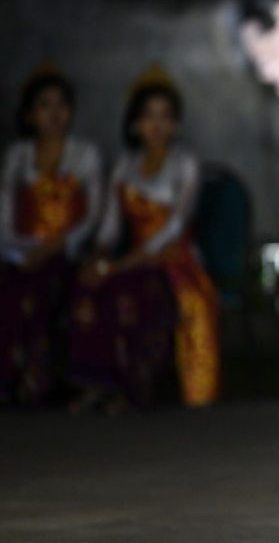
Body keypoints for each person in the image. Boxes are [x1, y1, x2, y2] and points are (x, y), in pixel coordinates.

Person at [69, 66, 219, 412]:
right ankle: (95, 384)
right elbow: (110, 224)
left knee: (134, 294)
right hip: (132, 257)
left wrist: (123, 263)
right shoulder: (125, 165)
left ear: (176, 124)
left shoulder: (185, 164)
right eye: (148, 116)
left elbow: (176, 225)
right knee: (90, 287)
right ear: (135, 123)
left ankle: (134, 388)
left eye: (165, 116)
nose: (157, 125)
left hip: (174, 259)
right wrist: (101, 255)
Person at [0, 65, 103, 404]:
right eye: (44, 105)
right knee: (13, 289)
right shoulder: (17, 156)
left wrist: (55, 246)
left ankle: (44, 382)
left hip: (69, 251)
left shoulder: (84, 155)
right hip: (22, 252)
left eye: (61, 104)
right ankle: (12, 381)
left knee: (48, 286)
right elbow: (4, 214)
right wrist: (18, 250)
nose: (54, 113)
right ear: (29, 115)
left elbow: (92, 215)